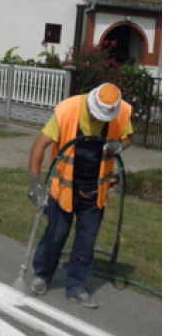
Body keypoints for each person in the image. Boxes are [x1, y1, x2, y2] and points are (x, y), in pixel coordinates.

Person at [25, 82, 133, 309]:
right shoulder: (68, 111)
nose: (99, 121)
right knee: (56, 234)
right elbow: (38, 146)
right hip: (64, 188)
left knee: (86, 240)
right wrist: (34, 184)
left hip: (95, 190)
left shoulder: (120, 111)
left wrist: (120, 145)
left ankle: (76, 286)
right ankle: (43, 275)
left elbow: (127, 137)